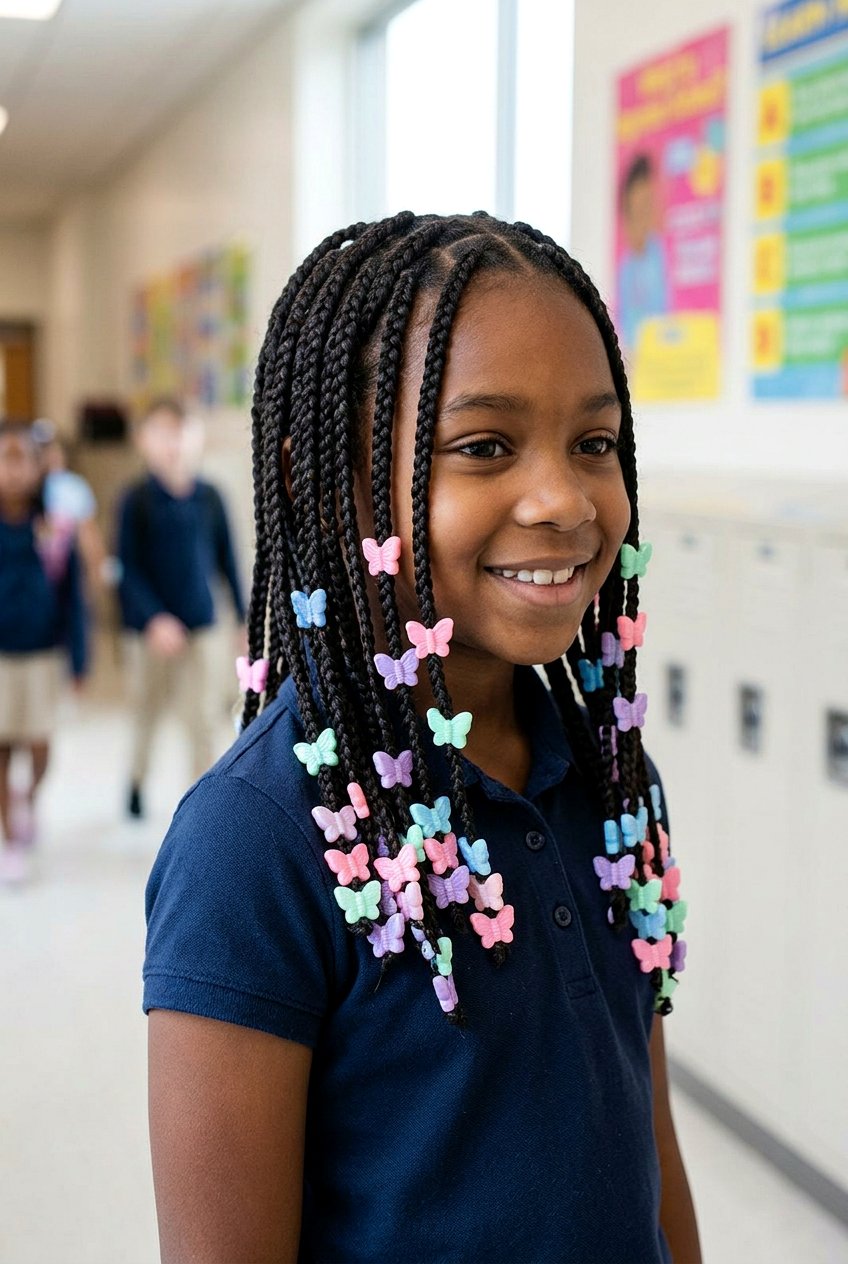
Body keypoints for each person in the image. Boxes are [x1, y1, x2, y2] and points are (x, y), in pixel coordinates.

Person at [144, 213, 700, 1263]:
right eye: (483, 447)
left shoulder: (613, 780)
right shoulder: (252, 839)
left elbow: (646, 1137)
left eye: (594, 443)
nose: (564, 499)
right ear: (323, 478)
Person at [116, 398, 245, 818]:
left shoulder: (209, 497)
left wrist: (243, 620)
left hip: (202, 623)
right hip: (149, 631)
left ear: (196, 438)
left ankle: (201, 804)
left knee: (204, 716)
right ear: (144, 441)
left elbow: (228, 562)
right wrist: (154, 619)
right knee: (147, 711)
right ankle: (135, 782)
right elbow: (127, 569)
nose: (173, 443)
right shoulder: (134, 500)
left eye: (180, 431)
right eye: (162, 433)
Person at [0, 421, 88, 885]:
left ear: (39, 468)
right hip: (1, 656)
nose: (12, 470)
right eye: (4, 458)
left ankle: (27, 796)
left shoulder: (52, 526)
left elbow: (73, 595)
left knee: (38, 744)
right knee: (1, 745)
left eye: (21, 459)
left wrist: (79, 658)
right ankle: (10, 838)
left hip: (42, 653)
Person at [30, 417, 109, 595]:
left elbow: (89, 536)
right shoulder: (27, 488)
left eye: (52, 448)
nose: (48, 455)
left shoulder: (73, 487)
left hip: (68, 580)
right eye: (42, 450)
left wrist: (96, 574)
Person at [617, 152, 670, 354]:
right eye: (636, 209)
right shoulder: (626, 267)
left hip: (660, 360)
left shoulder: (659, 256)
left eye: (647, 205)